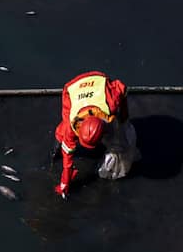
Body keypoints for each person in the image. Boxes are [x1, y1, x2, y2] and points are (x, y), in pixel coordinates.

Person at [53, 70, 140, 199]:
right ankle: (57, 144)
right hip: (72, 88)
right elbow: (67, 159)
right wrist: (64, 182)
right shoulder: (72, 126)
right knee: (64, 129)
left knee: (117, 125)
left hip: (99, 82)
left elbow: (122, 88)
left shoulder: (110, 104)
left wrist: (124, 117)